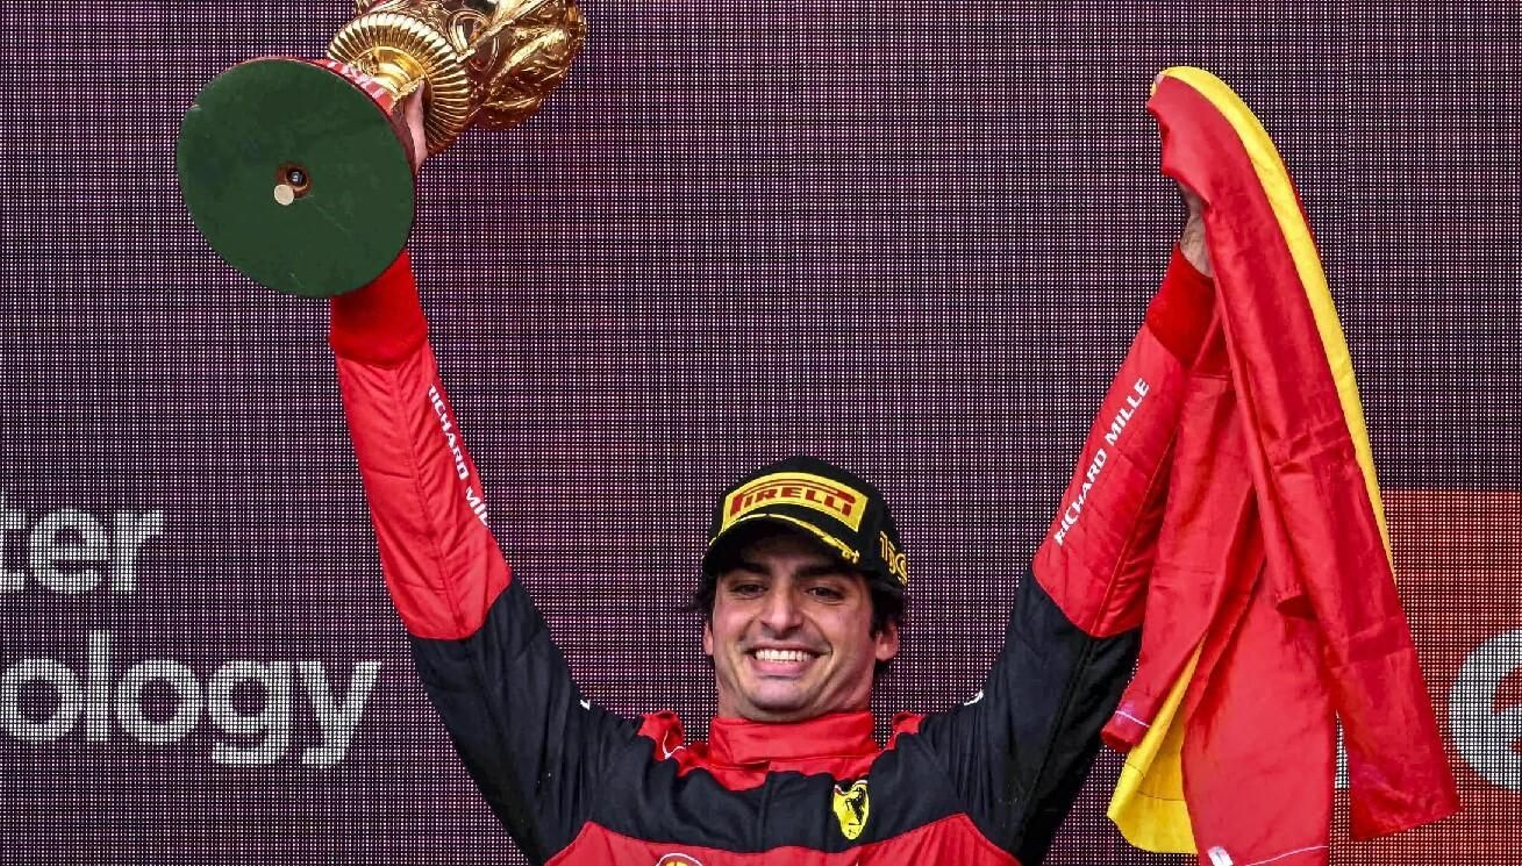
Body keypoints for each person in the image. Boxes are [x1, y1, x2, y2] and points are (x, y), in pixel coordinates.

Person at [326, 87, 1215, 865]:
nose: (778, 617)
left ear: (885, 633)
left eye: (824, 589)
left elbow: (1095, 572)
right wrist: (366, 254)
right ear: (708, 630)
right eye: (747, 587)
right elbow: (444, 562)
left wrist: (1201, 284)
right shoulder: (600, 792)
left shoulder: (960, 790)